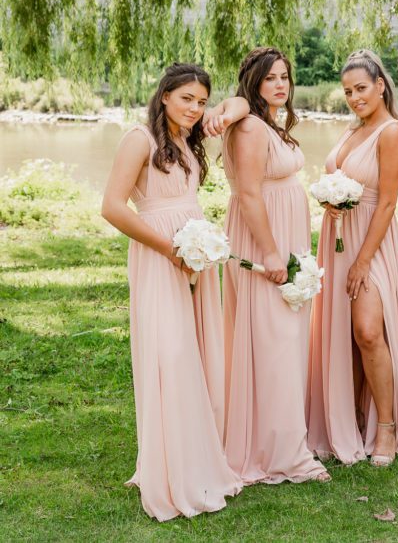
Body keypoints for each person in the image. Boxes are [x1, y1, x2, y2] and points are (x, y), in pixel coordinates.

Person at [101, 62, 246, 519]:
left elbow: (243, 104)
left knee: (197, 353)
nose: (195, 108)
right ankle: (170, 471)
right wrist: (169, 249)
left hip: (194, 254)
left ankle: (198, 460)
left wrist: (197, 248)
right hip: (161, 255)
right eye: (186, 98)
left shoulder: (188, 137)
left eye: (202, 101)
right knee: (171, 355)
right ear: (164, 95)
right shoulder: (139, 138)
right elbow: (112, 207)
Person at [222, 47, 329, 484]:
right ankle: (283, 454)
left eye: (284, 76)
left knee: (281, 341)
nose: (280, 84)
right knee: (276, 341)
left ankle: (278, 439)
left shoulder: (268, 122)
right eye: (270, 78)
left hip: (284, 235)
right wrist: (269, 253)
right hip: (264, 238)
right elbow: (249, 194)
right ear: (253, 82)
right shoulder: (250, 126)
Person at [307, 49, 398, 466]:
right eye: (348, 91)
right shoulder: (353, 128)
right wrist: (329, 201)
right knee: (342, 334)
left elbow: (387, 202)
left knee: (368, 331)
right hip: (338, 238)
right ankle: (346, 418)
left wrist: (364, 260)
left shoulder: (392, 132)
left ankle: (386, 426)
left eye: (361, 88)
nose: (354, 97)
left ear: (381, 85)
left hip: (372, 240)